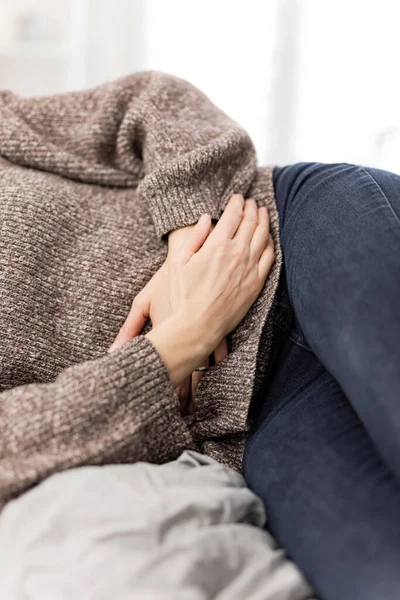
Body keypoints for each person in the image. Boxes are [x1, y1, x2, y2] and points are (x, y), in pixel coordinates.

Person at [243, 162, 400, 600]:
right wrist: (175, 346)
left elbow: (160, 104)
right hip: (248, 412)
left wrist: (184, 239)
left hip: (294, 229)